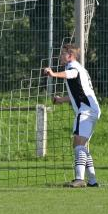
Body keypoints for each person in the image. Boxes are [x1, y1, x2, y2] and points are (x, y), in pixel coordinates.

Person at [44, 44, 101, 188]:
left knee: (78, 143)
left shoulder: (73, 67)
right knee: (82, 145)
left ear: (70, 55)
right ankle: (92, 181)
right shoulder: (82, 69)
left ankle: (79, 179)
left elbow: (71, 74)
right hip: (91, 110)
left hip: (86, 111)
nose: (60, 56)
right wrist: (61, 100)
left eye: (63, 54)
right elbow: (78, 93)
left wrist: (53, 74)